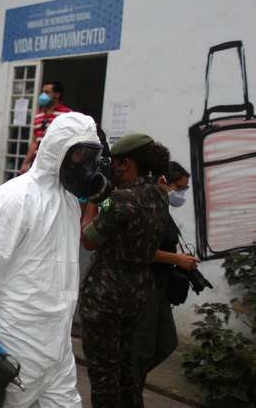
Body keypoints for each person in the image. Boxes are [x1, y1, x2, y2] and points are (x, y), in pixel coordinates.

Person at [0, 112, 104, 408]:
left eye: (92, 156)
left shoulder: (68, 201)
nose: (86, 165)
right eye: (79, 154)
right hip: (15, 341)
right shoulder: (15, 197)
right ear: (57, 150)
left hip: (57, 342)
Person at [79, 133, 172, 408]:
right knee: (127, 372)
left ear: (127, 164)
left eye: (116, 164)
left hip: (105, 298)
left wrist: (94, 200)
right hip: (137, 294)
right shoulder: (159, 195)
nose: (113, 170)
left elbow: (88, 238)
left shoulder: (119, 200)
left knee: (104, 376)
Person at [131, 161, 198, 394]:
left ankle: (129, 381)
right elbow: (140, 250)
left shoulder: (163, 210)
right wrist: (176, 259)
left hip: (160, 286)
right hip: (145, 287)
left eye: (185, 189)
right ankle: (128, 387)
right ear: (164, 182)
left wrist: (179, 260)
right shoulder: (148, 207)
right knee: (143, 348)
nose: (181, 194)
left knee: (166, 342)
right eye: (179, 187)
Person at [19, 81, 72, 174]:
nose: (43, 95)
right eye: (42, 92)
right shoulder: (38, 116)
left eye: (47, 92)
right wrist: (25, 163)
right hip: (37, 165)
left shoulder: (67, 115)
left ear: (57, 95)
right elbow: (34, 143)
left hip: (56, 166)